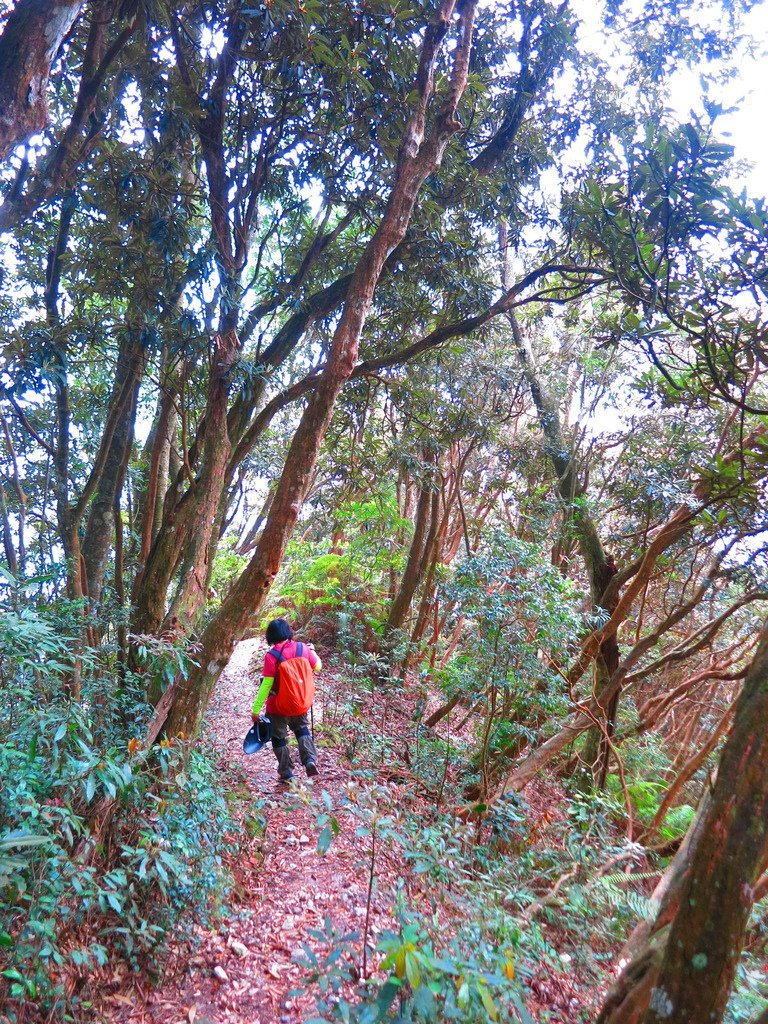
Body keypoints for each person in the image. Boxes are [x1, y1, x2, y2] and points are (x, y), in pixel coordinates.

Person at [251, 618, 321, 783]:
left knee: (278, 737)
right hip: (301, 702)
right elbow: (317, 666)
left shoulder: (272, 655)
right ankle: (310, 760)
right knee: (301, 729)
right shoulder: (302, 648)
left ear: (271, 635)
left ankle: (287, 773)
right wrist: (313, 651)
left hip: (278, 707)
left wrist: (256, 710)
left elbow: (266, 684)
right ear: (287, 631)